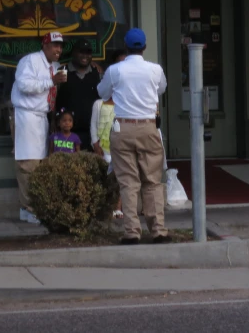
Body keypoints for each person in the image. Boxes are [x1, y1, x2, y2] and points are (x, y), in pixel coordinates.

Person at [97, 28, 169, 245]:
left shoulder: (115, 70)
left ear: (126, 47)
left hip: (123, 127)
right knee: (152, 181)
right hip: (148, 126)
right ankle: (158, 230)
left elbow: (102, 93)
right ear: (144, 47)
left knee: (128, 182)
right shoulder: (155, 70)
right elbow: (162, 89)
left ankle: (132, 232)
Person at [11, 31, 67, 225]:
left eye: (60, 46)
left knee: (40, 164)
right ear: (44, 45)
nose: (58, 49)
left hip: (42, 117)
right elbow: (24, 85)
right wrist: (51, 81)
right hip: (26, 115)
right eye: (54, 45)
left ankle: (34, 206)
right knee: (28, 163)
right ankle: (27, 209)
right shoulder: (31, 61)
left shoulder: (55, 67)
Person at [90, 48, 128, 219]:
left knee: (119, 180)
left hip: (118, 149)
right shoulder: (99, 104)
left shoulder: (124, 104)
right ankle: (104, 208)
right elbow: (94, 125)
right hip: (103, 149)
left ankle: (118, 208)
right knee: (104, 179)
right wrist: (94, 142)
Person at [54, 38, 103, 150]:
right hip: (67, 133)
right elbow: (53, 98)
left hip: (92, 134)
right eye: (81, 52)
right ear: (74, 53)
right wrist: (53, 121)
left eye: (88, 53)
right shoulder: (62, 71)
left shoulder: (97, 73)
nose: (85, 56)